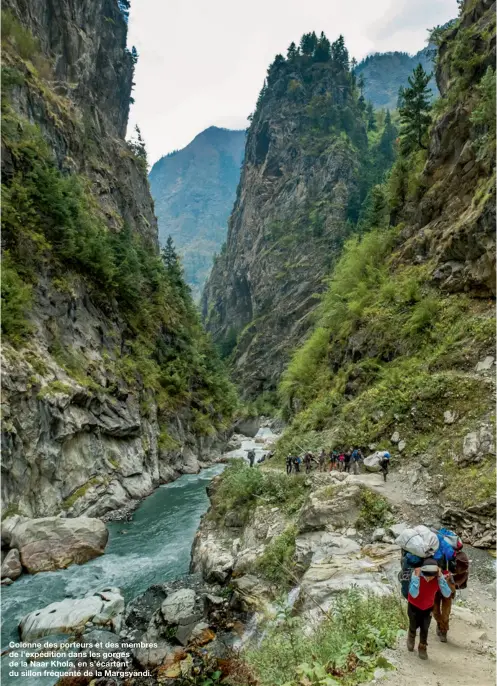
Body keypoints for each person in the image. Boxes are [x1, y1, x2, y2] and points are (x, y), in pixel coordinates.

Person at [407, 559, 452, 660]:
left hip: (428, 607)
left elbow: (447, 593)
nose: (429, 578)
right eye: (427, 575)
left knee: (425, 628)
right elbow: (414, 594)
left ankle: (422, 647)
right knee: (413, 624)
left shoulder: (438, 578)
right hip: (413, 605)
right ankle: (411, 635)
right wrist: (417, 578)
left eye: (432, 575)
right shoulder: (416, 575)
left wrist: (441, 578)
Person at [433, 544, 469, 642]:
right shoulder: (432, 553)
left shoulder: (450, 555)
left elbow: (457, 570)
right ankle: (440, 624)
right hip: (434, 587)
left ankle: (443, 631)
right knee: (435, 611)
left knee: (446, 613)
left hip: (448, 586)